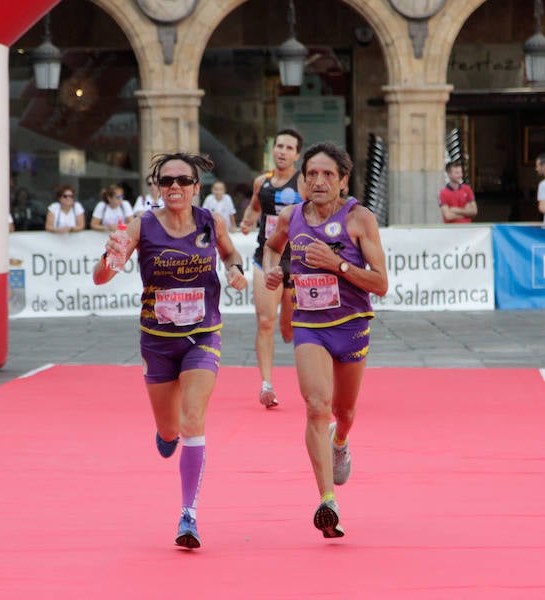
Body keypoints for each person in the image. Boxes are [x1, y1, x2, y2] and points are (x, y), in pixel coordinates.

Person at [93, 152, 247, 549]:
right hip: (157, 341)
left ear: (197, 187)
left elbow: (230, 252)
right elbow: (100, 277)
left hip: (202, 334)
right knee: (169, 429)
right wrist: (110, 258)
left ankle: (188, 515)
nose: (174, 187)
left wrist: (234, 270)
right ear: (157, 188)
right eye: (166, 181)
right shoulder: (141, 225)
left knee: (193, 417)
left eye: (183, 180)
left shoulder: (210, 221)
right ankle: (166, 434)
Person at [263, 142, 388, 539]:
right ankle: (327, 500)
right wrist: (274, 273)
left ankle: (341, 441)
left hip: (351, 323)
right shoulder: (289, 217)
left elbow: (381, 284)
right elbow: (270, 249)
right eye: (311, 174)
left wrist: (339, 264)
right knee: (316, 407)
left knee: (344, 412)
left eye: (327, 174)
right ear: (302, 180)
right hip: (310, 326)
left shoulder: (360, 220)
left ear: (343, 181)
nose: (318, 181)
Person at [239, 128, 305, 408]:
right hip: (265, 259)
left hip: (299, 262)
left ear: (297, 155)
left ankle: (286, 322)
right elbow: (255, 208)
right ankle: (266, 384)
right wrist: (246, 221)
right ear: (272, 149)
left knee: (288, 329)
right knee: (265, 322)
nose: (282, 152)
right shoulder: (261, 182)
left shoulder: (304, 182)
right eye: (279, 146)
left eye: (289, 148)